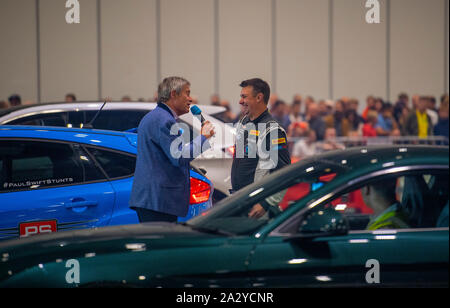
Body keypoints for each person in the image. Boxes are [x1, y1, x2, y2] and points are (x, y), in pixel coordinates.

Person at [129, 77, 215, 223]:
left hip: (156, 199)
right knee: (160, 244)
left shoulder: (158, 116)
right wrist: (203, 137)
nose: (190, 99)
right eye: (187, 94)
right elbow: (179, 156)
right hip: (158, 201)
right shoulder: (164, 120)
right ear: (173, 94)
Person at [231, 78, 291, 219]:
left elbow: (283, 172)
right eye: (241, 96)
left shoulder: (272, 130)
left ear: (259, 97)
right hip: (239, 202)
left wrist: (266, 203)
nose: (240, 101)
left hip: (257, 207)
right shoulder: (244, 123)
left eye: (244, 97)